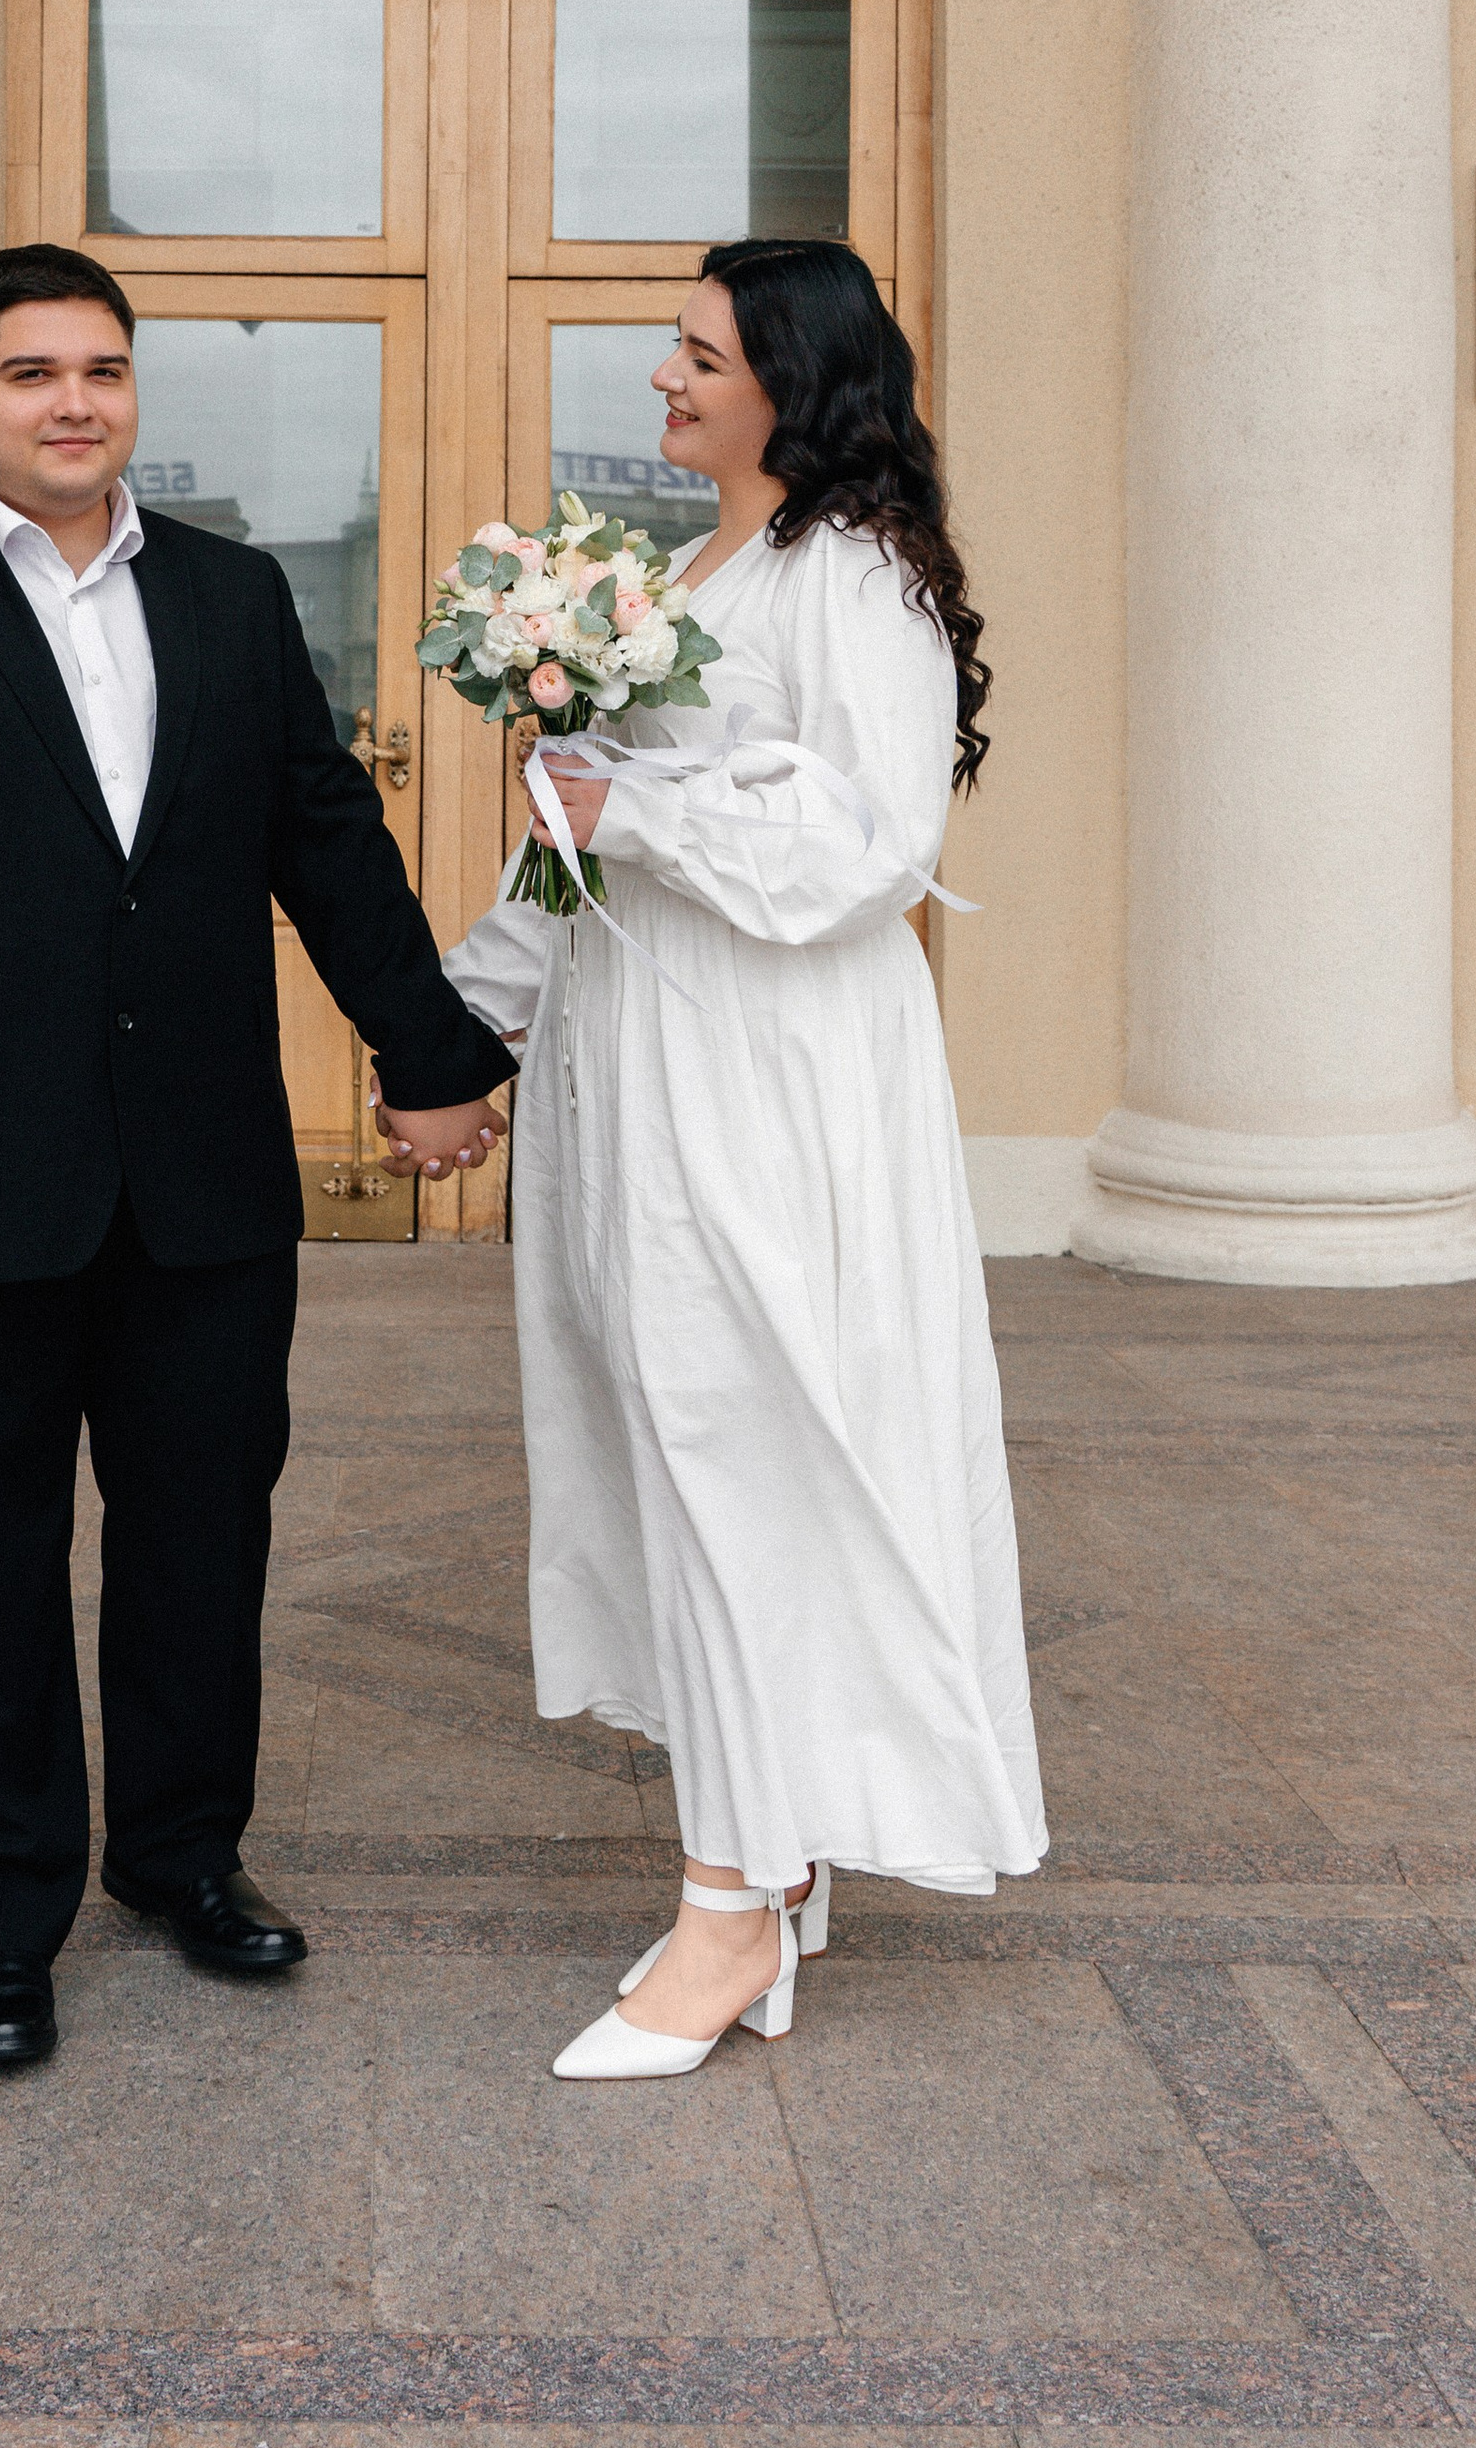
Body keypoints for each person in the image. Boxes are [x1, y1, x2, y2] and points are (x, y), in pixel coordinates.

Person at [0, 243, 513, 2073]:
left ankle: (180, 1858)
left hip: (206, 1172)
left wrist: (435, 1053)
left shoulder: (230, 599)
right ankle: (1, 1925)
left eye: (102, 371)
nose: (72, 402)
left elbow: (324, 836)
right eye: (30, 372)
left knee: (201, 1538)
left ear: (133, 391)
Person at [396, 238, 1046, 2079]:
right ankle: (768, 1840)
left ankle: (728, 1900)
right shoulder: (684, 569)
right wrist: (463, 1037)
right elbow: (570, 857)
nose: (662, 382)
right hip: (641, 1065)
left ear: (790, 377)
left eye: (696, 354)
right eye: (667, 351)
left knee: (744, 1443)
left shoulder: (859, 575)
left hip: (771, 1082)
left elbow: (867, 850)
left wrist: (637, 805)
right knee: (670, 1439)